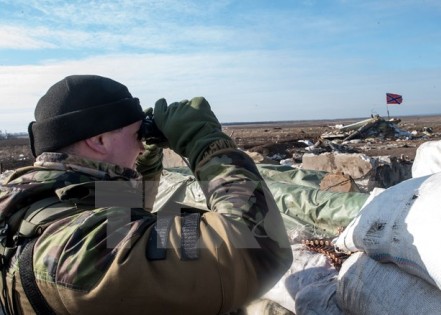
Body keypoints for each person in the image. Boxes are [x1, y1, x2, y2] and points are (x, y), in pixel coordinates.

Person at [0, 75, 292, 314]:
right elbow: (254, 248)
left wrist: (147, 163)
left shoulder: (35, 201)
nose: (141, 146)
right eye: (137, 136)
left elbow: (119, 221)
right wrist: (205, 142)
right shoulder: (80, 250)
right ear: (99, 140)